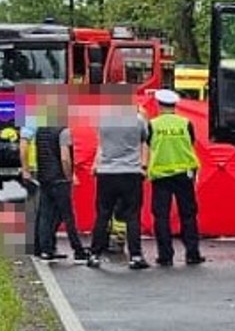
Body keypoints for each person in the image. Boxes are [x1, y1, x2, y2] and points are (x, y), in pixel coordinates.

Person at [87, 96, 150, 270]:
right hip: (130, 172)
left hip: (106, 173)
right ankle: (136, 256)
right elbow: (145, 139)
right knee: (132, 215)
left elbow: (101, 144)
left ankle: (94, 254)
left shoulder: (104, 121)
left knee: (103, 214)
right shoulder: (138, 121)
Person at [146, 89, 204, 266]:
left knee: (161, 216)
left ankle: (165, 255)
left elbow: (148, 144)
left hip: (161, 175)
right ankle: (192, 253)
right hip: (184, 173)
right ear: (175, 105)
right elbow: (191, 143)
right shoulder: (186, 123)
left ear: (159, 104)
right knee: (188, 214)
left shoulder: (152, 125)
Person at [20, 115, 88, 261]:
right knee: (68, 216)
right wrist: (69, 176)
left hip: (44, 177)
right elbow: (65, 158)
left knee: (45, 215)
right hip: (60, 178)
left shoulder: (40, 131)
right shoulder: (63, 132)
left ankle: (45, 250)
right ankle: (78, 250)